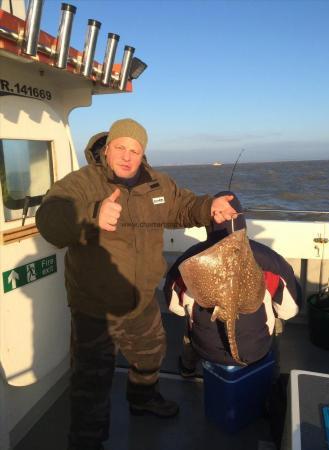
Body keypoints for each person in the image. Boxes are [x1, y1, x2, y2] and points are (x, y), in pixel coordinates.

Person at [35, 118, 238, 450]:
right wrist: (92, 215)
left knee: (151, 355)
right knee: (92, 381)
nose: (127, 156)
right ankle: (86, 441)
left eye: (135, 150)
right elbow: (49, 219)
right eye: (121, 148)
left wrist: (208, 207)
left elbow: (184, 207)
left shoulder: (157, 183)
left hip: (142, 299)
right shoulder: (82, 183)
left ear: (143, 153)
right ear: (107, 147)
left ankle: (142, 399)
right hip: (94, 307)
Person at [164, 191, 302, 374]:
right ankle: (270, 372)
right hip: (254, 351)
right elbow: (289, 310)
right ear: (240, 219)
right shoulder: (267, 260)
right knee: (276, 321)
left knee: (190, 325)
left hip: (206, 349)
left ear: (208, 220)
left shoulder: (190, 260)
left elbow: (175, 307)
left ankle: (188, 368)